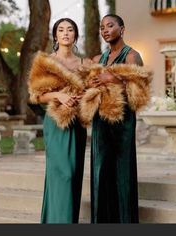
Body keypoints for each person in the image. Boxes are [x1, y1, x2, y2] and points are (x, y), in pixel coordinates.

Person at [28, 18, 91, 223]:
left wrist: (81, 98)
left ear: (75, 35)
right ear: (55, 35)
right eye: (61, 30)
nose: (65, 33)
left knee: (73, 175)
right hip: (55, 124)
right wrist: (59, 96)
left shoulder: (85, 63)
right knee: (62, 174)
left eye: (70, 29)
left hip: (77, 124)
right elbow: (36, 95)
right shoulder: (46, 61)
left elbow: (94, 91)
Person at [89, 14, 144, 223]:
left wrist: (111, 78)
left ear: (122, 29)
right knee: (100, 172)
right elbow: (89, 87)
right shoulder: (98, 60)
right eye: (102, 27)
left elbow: (138, 92)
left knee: (121, 173)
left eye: (110, 26)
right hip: (100, 122)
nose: (105, 30)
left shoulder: (132, 56)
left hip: (122, 124)